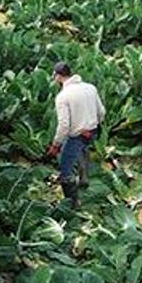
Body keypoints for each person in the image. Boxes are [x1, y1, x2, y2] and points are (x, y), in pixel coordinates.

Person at [47, 62, 106, 208]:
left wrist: (56, 145)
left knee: (65, 167)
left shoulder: (63, 96)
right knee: (83, 148)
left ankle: (72, 204)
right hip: (92, 132)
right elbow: (101, 112)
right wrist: (92, 125)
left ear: (58, 76)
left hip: (77, 135)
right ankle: (84, 179)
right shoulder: (90, 88)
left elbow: (64, 125)